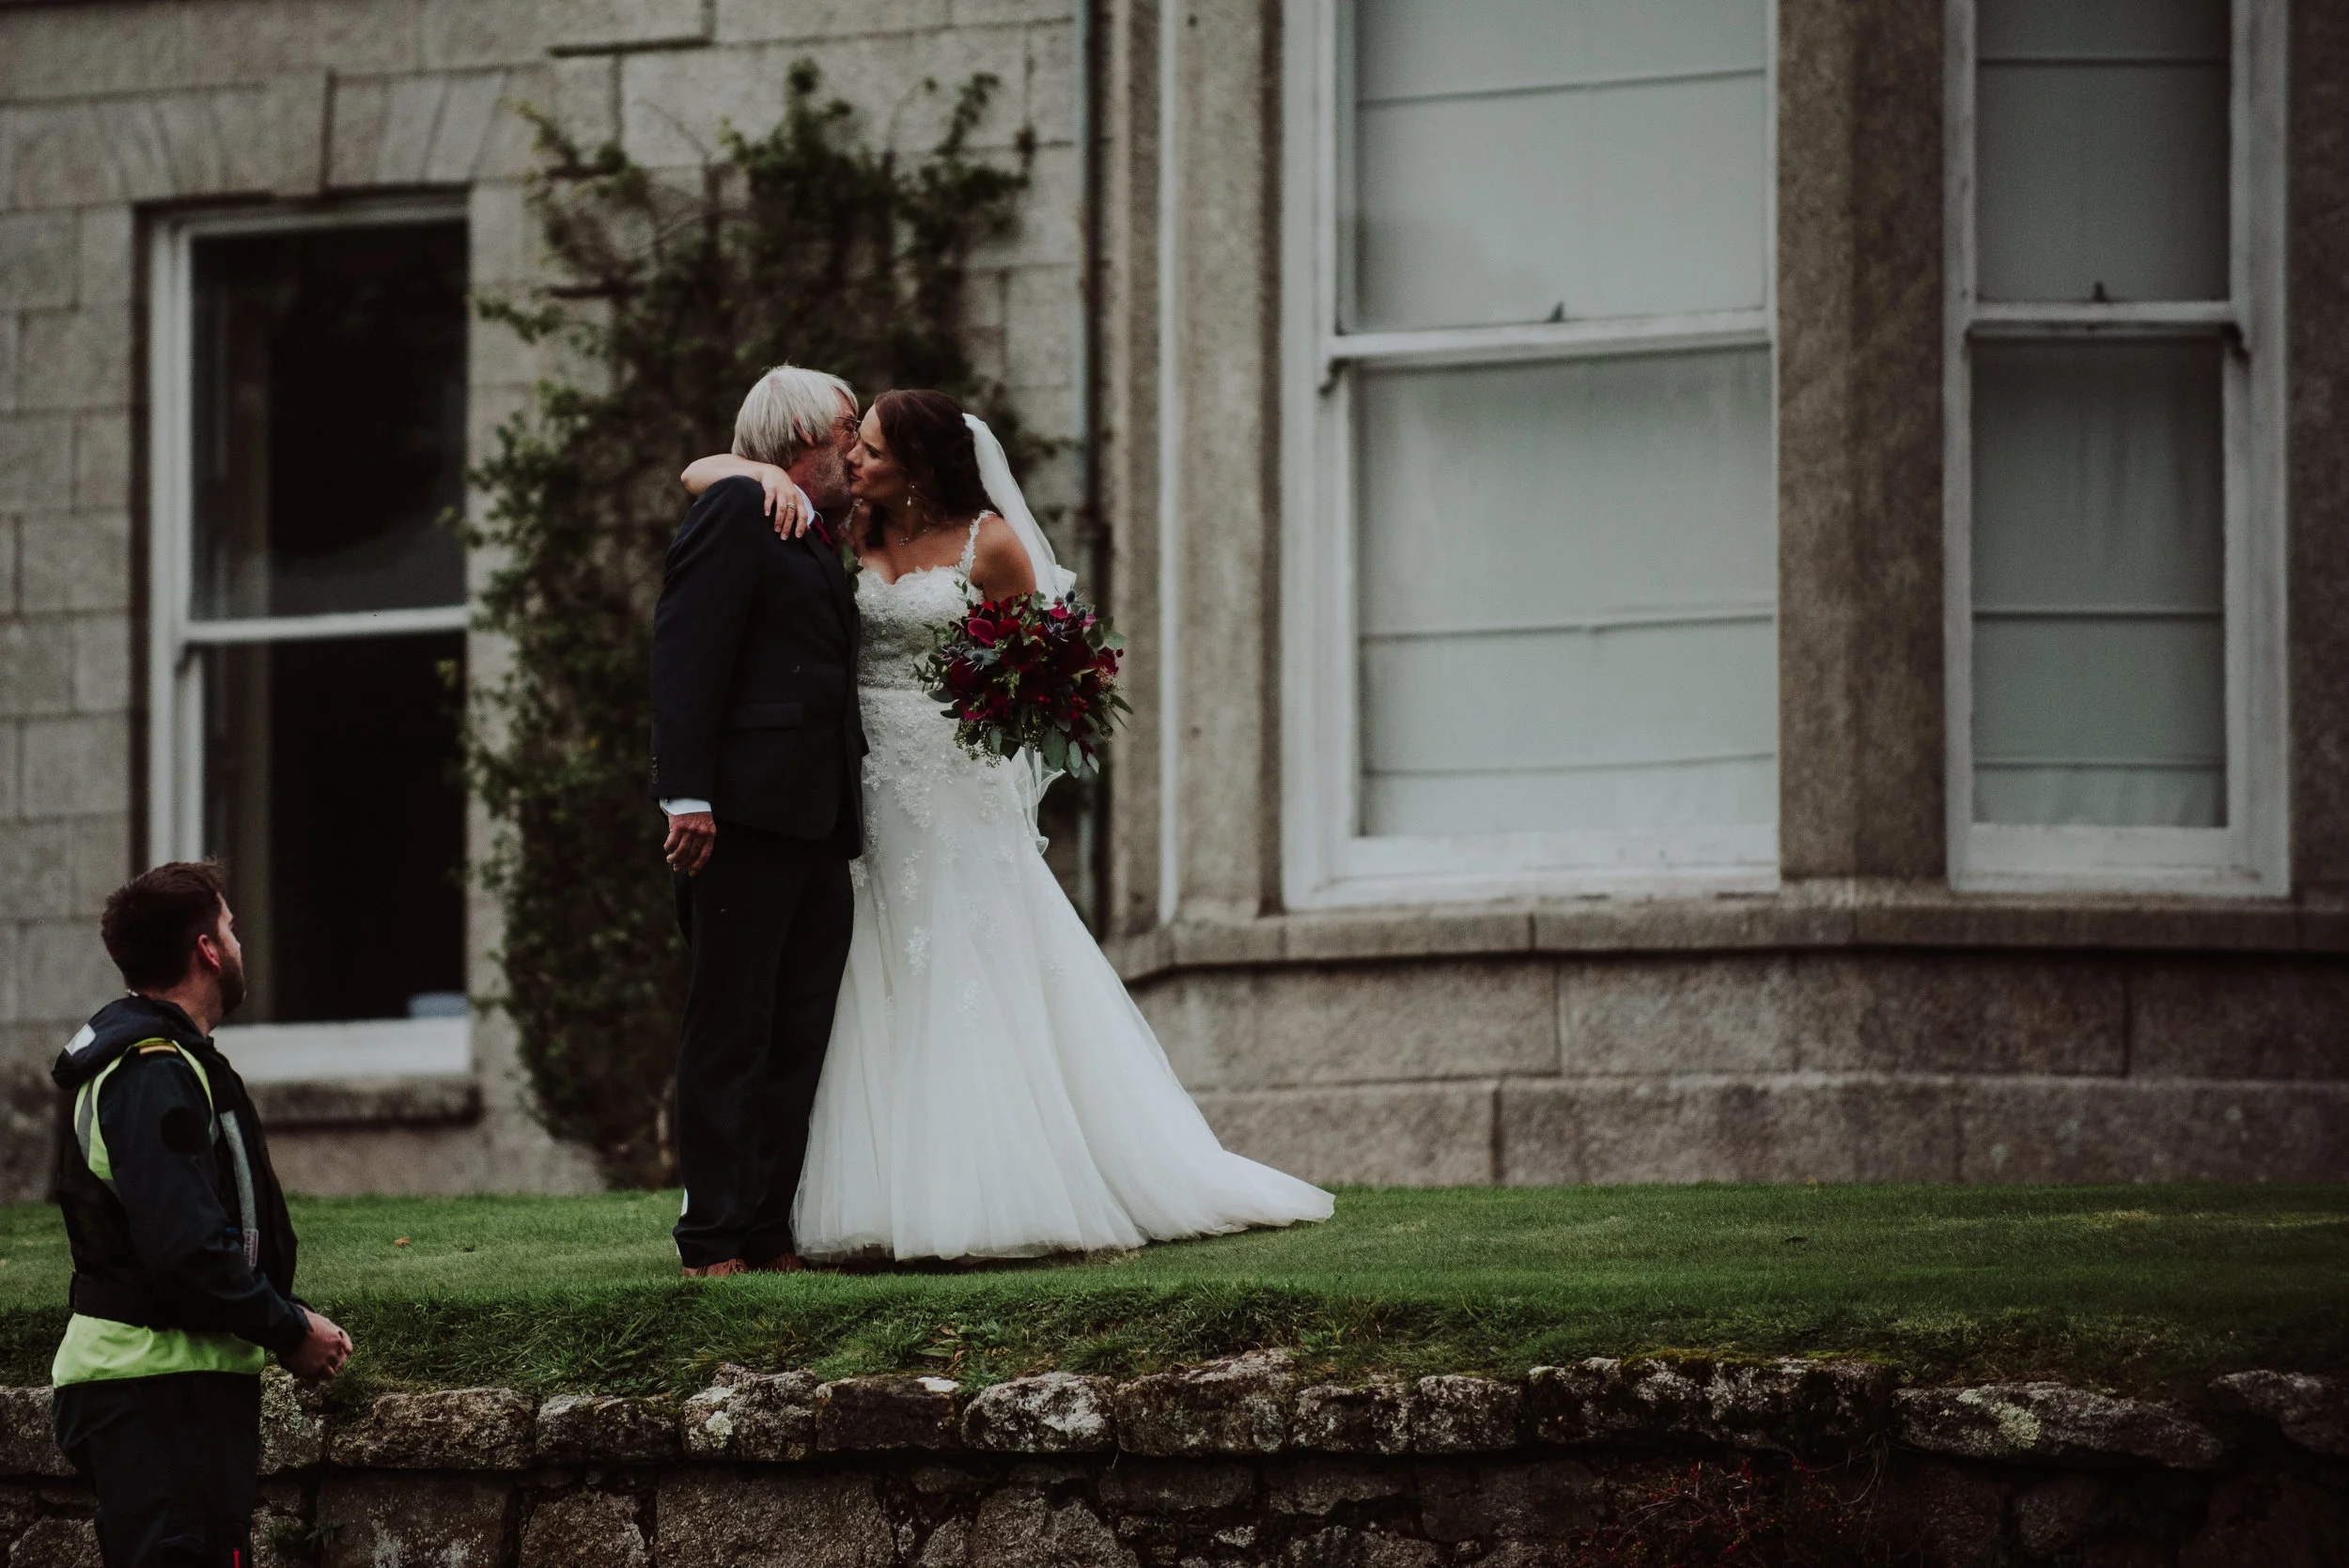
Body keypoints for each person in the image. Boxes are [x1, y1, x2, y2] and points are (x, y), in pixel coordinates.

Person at [682, 389, 1332, 1261]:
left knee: (963, 954)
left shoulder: (991, 542)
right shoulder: (849, 532)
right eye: (853, 444)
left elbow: (1049, 669)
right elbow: (701, 475)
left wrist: (1003, 709)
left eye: (871, 448)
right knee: (856, 978)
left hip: (951, 778)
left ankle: (992, 1183)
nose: (856, 461)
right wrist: (761, 466)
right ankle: (840, 1193)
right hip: (860, 781)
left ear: (916, 464)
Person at [50, 861, 352, 1567]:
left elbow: (198, 1237)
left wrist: (284, 1312)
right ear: (208, 950)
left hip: (168, 1388)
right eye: (231, 928)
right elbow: (185, 1250)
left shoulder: (166, 1062)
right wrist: (284, 1327)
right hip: (154, 1389)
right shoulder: (152, 1072)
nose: (240, 944)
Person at [651, 365, 868, 1277]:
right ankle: (712, 1241)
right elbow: (687, 649)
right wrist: (687, 795)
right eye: (848, 437)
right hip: (742, 815)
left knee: (796, 1031)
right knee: (730, 1029)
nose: (858, 454)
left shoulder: (814, 527)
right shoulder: (743, 509)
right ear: (801, 442)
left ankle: (769, 1231)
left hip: (819, 819)